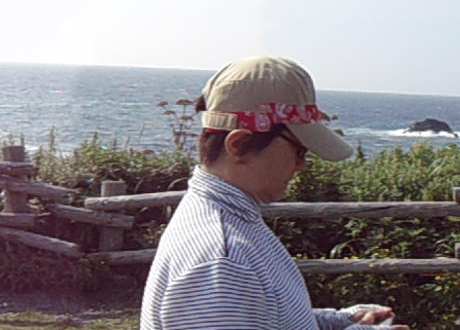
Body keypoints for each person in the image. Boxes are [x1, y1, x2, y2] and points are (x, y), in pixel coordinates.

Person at [139, 55, 406, 330]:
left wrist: (340, 320)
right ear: (239, 145)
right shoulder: (224, 261)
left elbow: (265, 313)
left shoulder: (229, 224)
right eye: (299, 150)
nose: (302, 165)